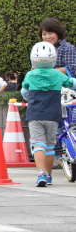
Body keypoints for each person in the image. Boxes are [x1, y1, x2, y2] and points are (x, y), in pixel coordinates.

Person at [21, 42, 76, 186]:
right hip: (53, 115)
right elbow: (71, 83)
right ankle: (50, 175)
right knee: (50, 145)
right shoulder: (58, 74)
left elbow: (25, 90)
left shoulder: (30, 75)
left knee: (38, 144)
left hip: (35, 114)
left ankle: (41, 174)